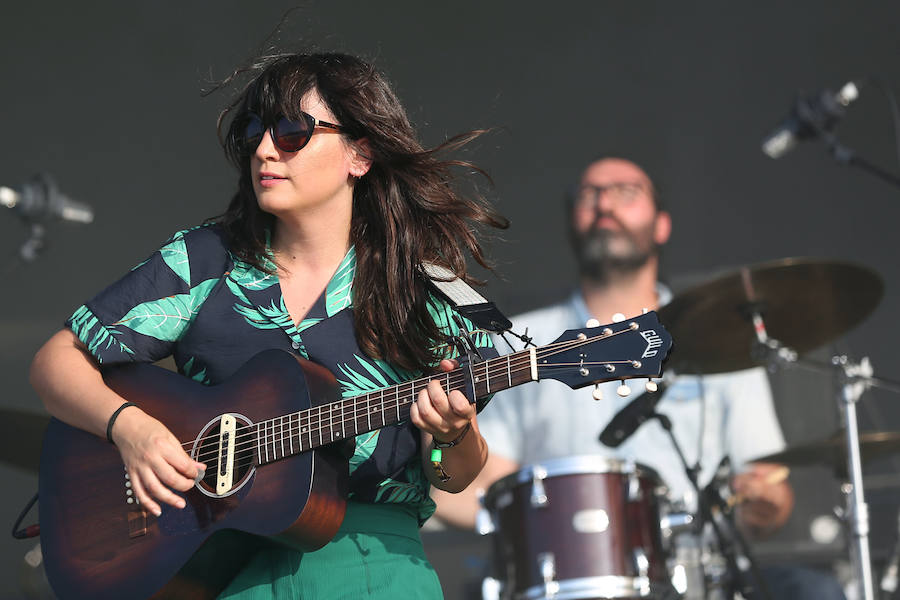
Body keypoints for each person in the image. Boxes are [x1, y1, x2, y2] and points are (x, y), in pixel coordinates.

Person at [29, 51, 508, 599]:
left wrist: (452, 435)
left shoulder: (428, 289)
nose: (263, 149)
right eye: (255, 132)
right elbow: (56, 361)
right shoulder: (206, 261)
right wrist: (131, 429)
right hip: (222, 569)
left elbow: (452, 476)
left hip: (374, 567)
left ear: (360, 153)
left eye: (292, 132)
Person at [432, 157, 846, 600]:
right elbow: (472, 482)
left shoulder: (720, 337)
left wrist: (764, 504)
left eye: (626, 192)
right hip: (564, 579)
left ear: (662, 224)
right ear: (572, 221)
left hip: (697, 577)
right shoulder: (515, 341)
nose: (605, 203)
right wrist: (438, 468)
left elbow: (766, 486)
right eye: (590, 195)